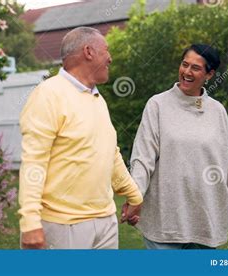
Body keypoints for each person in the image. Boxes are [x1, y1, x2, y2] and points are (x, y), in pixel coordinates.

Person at [18, 27, 143, 249]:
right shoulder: (48, 94)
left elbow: (110, 153)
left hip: (105, 222)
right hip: (62, 226)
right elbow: (33, 162)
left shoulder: (96, 98)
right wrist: (29, 222)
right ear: (88, 51)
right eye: (107, 51)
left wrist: (134, 196)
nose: (110, 58)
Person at [129, 44, 228, 249]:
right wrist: (135, 195)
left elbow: (224, 165)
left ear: (209, 74)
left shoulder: (218, 111)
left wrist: (222, 208)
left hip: (205, 219)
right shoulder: (157, 105)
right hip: (165, 220)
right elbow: (143, 157)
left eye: (195, 68)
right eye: (184, 64)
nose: (186, 72)